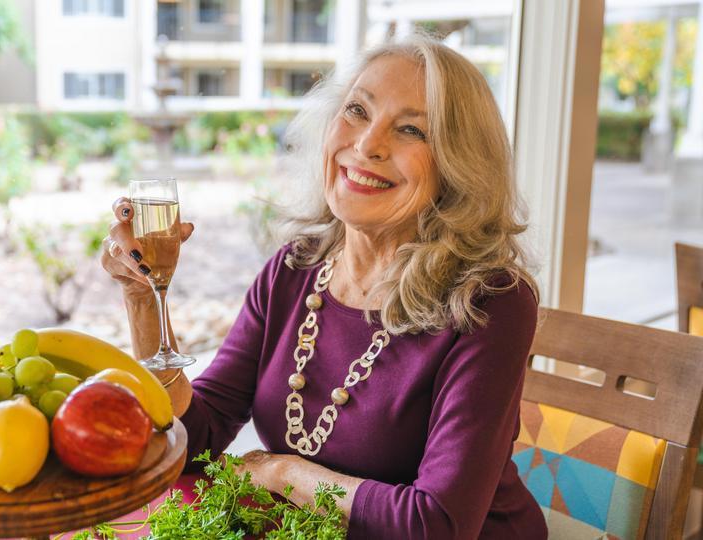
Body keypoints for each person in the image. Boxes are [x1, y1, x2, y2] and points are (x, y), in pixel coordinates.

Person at [101, 33, 547, 539]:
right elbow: (195, 436)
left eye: (410, 130)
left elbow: (437, 524)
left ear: (455, 166)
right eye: (358, 109)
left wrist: (281, 472)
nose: (367, 145)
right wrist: (142, 298)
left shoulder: (489, 301)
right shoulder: (294, 271)